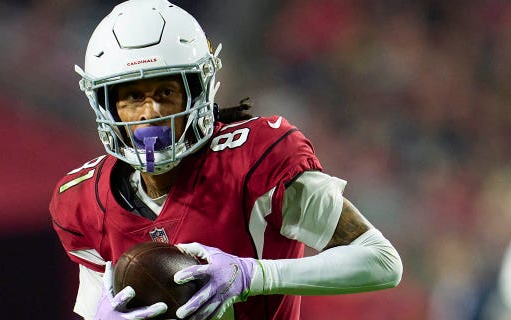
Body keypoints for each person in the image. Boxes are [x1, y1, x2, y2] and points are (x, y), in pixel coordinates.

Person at [50, 0, 403, 319]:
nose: (150, 113)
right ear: (106, 105)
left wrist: (253, 275)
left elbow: (382, 261)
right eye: (132, 96)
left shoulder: (257, 156)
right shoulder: (82, 202)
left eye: (166, 92)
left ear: (199, 90)